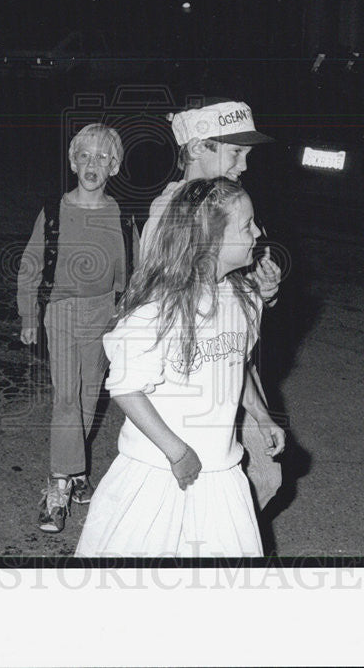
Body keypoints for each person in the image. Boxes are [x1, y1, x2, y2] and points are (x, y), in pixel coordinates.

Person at [76, 177, 284, 557]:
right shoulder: (158, 308)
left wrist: (262, 415)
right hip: (158, 473)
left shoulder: (241, 299)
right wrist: (177, 451)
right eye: (247, 225)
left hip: (221, 472)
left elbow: (236, 362)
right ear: (212, 238)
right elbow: (125, 388)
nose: (258, 232)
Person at [140, 98, 284, 510]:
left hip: (233, 366)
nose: (244, 165)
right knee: (230, 487)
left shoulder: (230, 204)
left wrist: (262, 293)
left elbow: (233, 299)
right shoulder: (170, 217)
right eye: (236, 152)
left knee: (262, 477)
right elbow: (163, 315)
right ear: (199, 147)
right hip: (198, 380)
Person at [17, 124, 138, 533]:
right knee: (66, 397)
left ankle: (77, 470)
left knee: (89, 396)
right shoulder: (54, 211)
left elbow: (132, 273)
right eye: (85, 156)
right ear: (73, 162)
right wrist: (29, 315)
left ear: (114, 166)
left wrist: (126, 317)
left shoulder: (121, 217)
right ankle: (58, 483)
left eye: (103, 157)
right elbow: (30, 265)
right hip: (62, 311)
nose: (93, 164)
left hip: (105, 314)